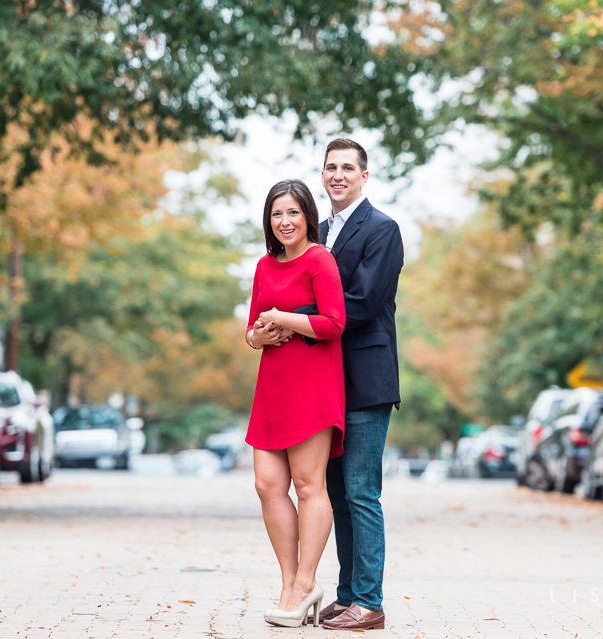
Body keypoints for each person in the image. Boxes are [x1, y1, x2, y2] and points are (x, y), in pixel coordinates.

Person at [310, 138, 404, 631]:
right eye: (331, 167)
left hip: (366, 381)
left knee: (362, 491)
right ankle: (348, 595)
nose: (338, 174)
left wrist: (297, 318)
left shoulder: (383, 230)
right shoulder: (317, 232)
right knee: (336, 493)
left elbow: (362, 302)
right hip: (323, 383)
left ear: (364, 176)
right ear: (322, 176)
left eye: (348, 167)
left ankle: (370, 601)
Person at [244, 179, 346, 628]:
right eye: (276, 214)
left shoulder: (320, 260)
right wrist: (259, 335)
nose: (284, 222)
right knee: (268, 486)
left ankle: (306, 583)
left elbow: (334, 322)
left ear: (308, 216)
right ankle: (289, 583)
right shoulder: (265, 266)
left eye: (292, 213)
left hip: (312, 387)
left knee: (309, 487)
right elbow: (251, 328)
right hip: (272, 387)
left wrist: (286, 319)